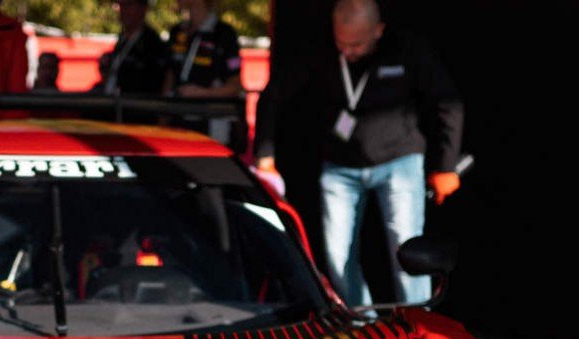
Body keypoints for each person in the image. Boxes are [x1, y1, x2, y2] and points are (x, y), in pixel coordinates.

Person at [254, 0, 461, 309]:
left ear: (378, 31)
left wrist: (446, 165)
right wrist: (265, 156)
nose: (348, 51)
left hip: (399, 162)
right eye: (342, 43)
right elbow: (273, 95)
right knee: (338, 256)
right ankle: (361, 324)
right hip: (340, 167)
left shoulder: (407, 50)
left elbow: (448, 104)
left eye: (357, 44)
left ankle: (418, 324)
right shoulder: (320, 52)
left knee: (407, 252)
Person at [162, 0, 242, 146]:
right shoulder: (177, 31)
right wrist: (163, 116)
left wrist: (201, 93)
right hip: (177, 122)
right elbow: (170, 76)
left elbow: (235, 86)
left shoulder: (224, 34)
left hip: (211, 126)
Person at [95, 0, 168, 97]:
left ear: (142, 9)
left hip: (134, 105)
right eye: (121, 5)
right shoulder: (122, 39)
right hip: (113, 101)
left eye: (128, 5)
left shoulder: (151, 43)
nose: (123, 10)